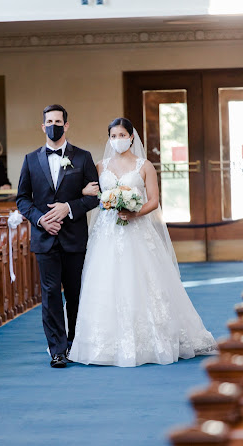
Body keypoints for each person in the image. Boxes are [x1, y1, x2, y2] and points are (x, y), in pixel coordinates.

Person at [68, 117, 217, 367]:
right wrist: (88, 194)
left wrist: (135, 212)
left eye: (122, 135)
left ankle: (155, 339)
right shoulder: (99, 166)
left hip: (137, 229)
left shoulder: (144, 165)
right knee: (105, 280)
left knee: (144, 280)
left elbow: (154, 200)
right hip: (107, 232)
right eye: (113, 136)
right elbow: (90, 193)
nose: (117, 140)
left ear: (132, 137)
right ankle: (102, 342)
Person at [16, 104, 99, 368]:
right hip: (45, 237)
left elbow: (96, 196)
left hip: (74, 236)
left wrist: (69, 208)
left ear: (66, 124)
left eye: (58, 121)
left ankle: (77, 343)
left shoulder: (83, 158)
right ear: (43, 126)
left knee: (75, 293)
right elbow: (21, 199)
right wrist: (41, 219)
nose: (54, 125)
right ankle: (57, 349)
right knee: (51, 294)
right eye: (49, 121)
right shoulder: (31, 159)